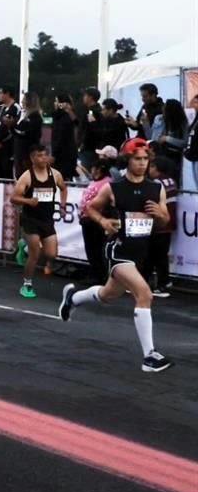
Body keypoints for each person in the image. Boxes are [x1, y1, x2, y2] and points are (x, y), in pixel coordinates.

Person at [59, 138, 173, 373]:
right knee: (144, 293)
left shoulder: (156, 188)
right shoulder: (114, 187)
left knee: (106, 295)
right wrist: (104, 222)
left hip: (139, 252)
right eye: (137, 159)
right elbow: (90, 208)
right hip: (118, 250)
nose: (142, 164)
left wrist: (159, 213)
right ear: (127, 160)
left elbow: (165, 220)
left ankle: (72, 299)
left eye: (145, 159)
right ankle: (149, 356)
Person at [11, 145, 68, 298]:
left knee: (52, 254)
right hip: (31, 219)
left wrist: (62, 205)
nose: (43, 159)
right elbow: (13, 198)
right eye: (39, 156)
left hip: (47, 220)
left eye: (45, 155)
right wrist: (28, 201)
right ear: (32, 158)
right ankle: (27, 284)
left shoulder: (55, 174)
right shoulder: (27, 176)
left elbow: (63, 188)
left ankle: (24, 248)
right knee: (35, 253)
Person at [143, 156, 177, 297]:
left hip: (158, 224)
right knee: (160, 255)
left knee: (153, 255)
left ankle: (160, 284)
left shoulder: (156, 183)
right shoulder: (171, 181)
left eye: (150, 167)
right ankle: (161, 281)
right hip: (169, 223)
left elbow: (148, 201)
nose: (148, 169)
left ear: (156, 168)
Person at [77, 156, 113, 285]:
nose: (91, 171)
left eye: (93, 168)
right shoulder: (95, 181)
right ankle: (95, 273)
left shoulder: (107, 183)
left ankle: (100, 275)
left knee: (96, 249)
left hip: (96, 220)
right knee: (91, 249)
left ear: (98, 169)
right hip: (86, 219)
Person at [149, 98, 187, 179]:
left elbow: (184, 142)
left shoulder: (182, 122)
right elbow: (154, 137)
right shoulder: (160, 119)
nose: (162, 108)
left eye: (165, 107)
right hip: (161, 153)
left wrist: (167, 139)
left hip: (175, 156)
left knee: (171, 177)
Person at [0, 86, 21, 179]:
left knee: (7, 171)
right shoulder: (0, 108)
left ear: (7, 94)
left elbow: (11, 128)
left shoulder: (15, 108)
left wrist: (0, 140)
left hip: (8, 147)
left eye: (0, 93)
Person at [12, 93, 43, 177]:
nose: (22, 102)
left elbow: (26, 132)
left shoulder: (35, 117)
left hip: (27, 154)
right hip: (19, 153)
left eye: (24, 99)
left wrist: (14, 126)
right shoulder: (22, 115)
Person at [51, 94, 79, 180]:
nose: (54, 103)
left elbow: (60, 137)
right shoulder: (60, 118)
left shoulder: (64, 119)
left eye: (57, 101)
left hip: (63, 155)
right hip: (66, 153)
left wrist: (54, 153)